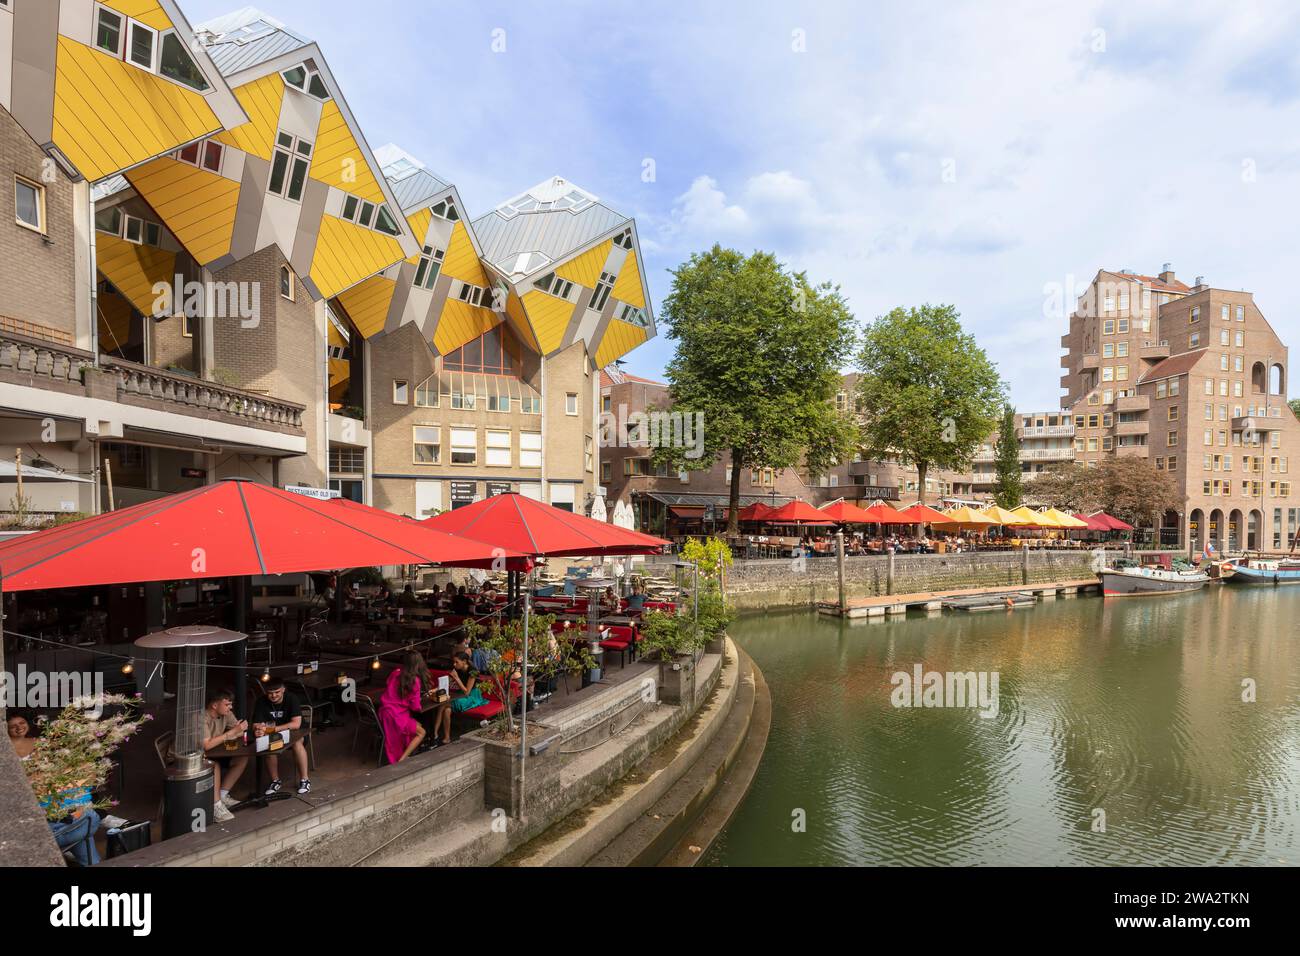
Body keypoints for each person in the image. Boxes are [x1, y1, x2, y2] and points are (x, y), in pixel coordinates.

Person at [252, 679, 311, 795]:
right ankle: (275, 781)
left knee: (297, 742)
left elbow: (296, 724)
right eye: (270, 693)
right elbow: (255, 724)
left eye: (277, 692)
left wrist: (272, 729)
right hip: (274, 735)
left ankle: (305, 779)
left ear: (283, 690)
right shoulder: (261, 702)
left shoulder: (291, 698)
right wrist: (258, 730)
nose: (273, 695)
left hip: (295, 733)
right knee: (268, 745)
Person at [200, 689, 249, 821]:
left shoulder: (226, 714)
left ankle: (222, 795)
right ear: (215, 706)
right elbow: (206, 746)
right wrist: (231, 732)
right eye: (227, 704)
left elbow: (240, 731)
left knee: (242, 758)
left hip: (212, 753)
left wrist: (236, 731)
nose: (230, 707)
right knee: (214, 765)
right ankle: (215, 806)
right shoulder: (200, 718)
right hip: (191, 756)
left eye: (231, 704)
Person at [378, 651, 431, 764]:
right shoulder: (415, 681)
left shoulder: (396, 672)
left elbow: (389, 686)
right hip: (398, 716)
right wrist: (418, 700)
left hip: (385, 712)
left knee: (417, 725)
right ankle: (402, 760)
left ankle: (404, 754)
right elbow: (416, 707)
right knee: (421, 732)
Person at [447, 651, 486, 724]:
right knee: (446, 707)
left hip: (472, 696)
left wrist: (457, 678)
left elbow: (467, 692)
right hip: (461, 693)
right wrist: (434, 690)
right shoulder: (457, 669)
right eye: (454, 662)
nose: (454, 664)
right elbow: (447, 682)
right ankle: (437, 732)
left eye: (456, 662)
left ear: (464, 661)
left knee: (450, 703)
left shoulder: (473, 671)